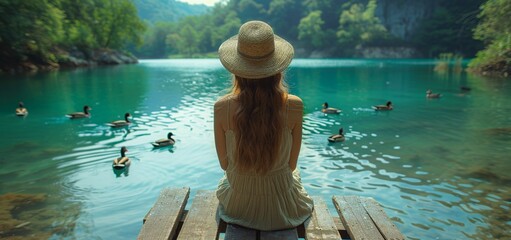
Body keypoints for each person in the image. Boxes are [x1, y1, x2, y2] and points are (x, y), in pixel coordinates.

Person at [214, 20, 313, 235]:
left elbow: (224, 165)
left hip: (239, 204)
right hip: (281, 207)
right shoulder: (294, 106)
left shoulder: (222, 107)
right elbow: (292, 164)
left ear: (237, 69)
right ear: (277, 68)